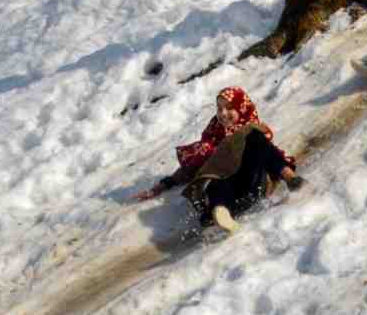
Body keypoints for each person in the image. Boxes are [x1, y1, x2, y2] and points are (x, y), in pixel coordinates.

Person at [130, 86, 304, 232]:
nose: (223, 113)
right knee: (211, 173)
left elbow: (270, 154)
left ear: (241, 108)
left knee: (251, 136)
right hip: (232, 194)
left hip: (254, 182)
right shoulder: (213, 137)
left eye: (229, 108)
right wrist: (161, 186)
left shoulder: (252, 130)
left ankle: (291, 178)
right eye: (219, 108)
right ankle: (221, 213)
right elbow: (190, 168)